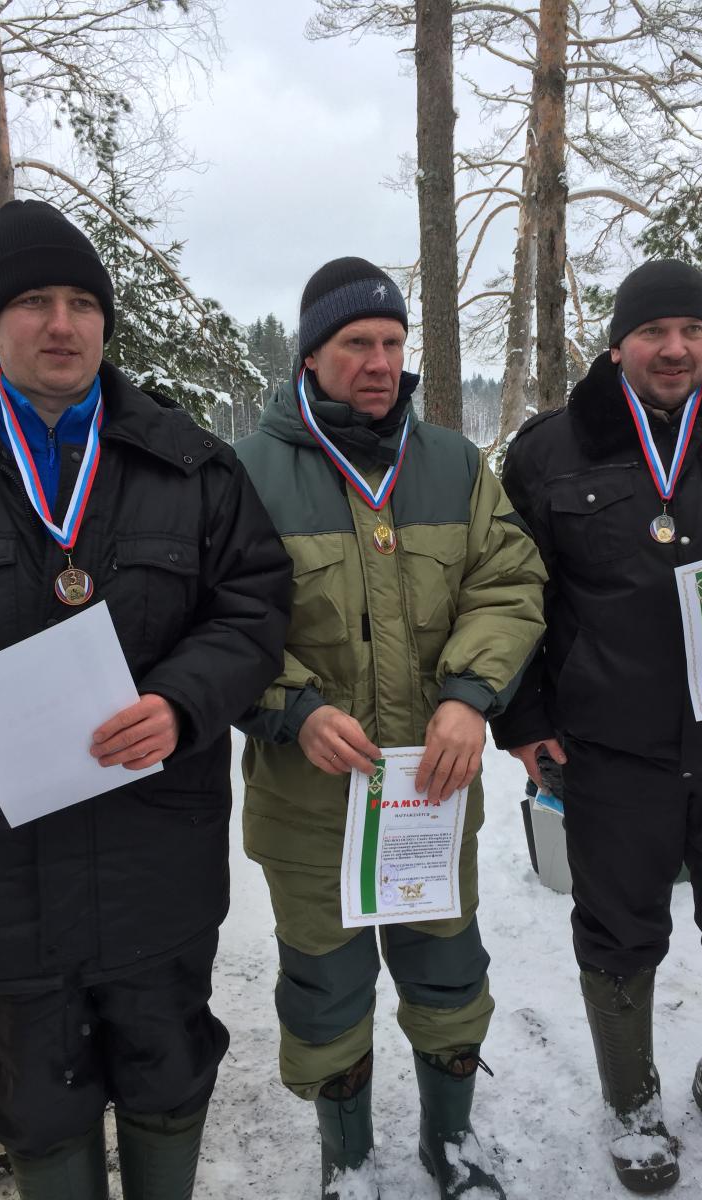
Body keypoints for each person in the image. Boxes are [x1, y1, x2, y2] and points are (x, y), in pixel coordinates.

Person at [0, 199, 292, 1200]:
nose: (62, 323)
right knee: (36, 1091)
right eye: (34, 302)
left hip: (155, 844)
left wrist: (181, 703)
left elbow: (254, 605)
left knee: (167, 1063)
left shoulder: (191, 463)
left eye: (83, 303)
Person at [492, 259, 702, 1196]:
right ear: (618, 346)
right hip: (613, 749)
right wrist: (523, 718)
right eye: (652, 332)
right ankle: (632, 1099)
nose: (674, 348)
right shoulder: (550, 451)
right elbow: (511, 592)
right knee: (617, 932)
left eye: (691, 329)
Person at [234, 257, 546, 1199]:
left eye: (392, 342)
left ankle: (448, 1141)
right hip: (309, 804)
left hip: (429, 797)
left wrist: (469, 693)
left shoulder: (453, 464)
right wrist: (292, 707)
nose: (379, 362)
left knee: (448, 972)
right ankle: (350, 1160)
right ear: (309, 355)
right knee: (326, 991)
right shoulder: (248, 474)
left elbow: (509, 583)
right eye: (355, 343)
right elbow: (216, 622)